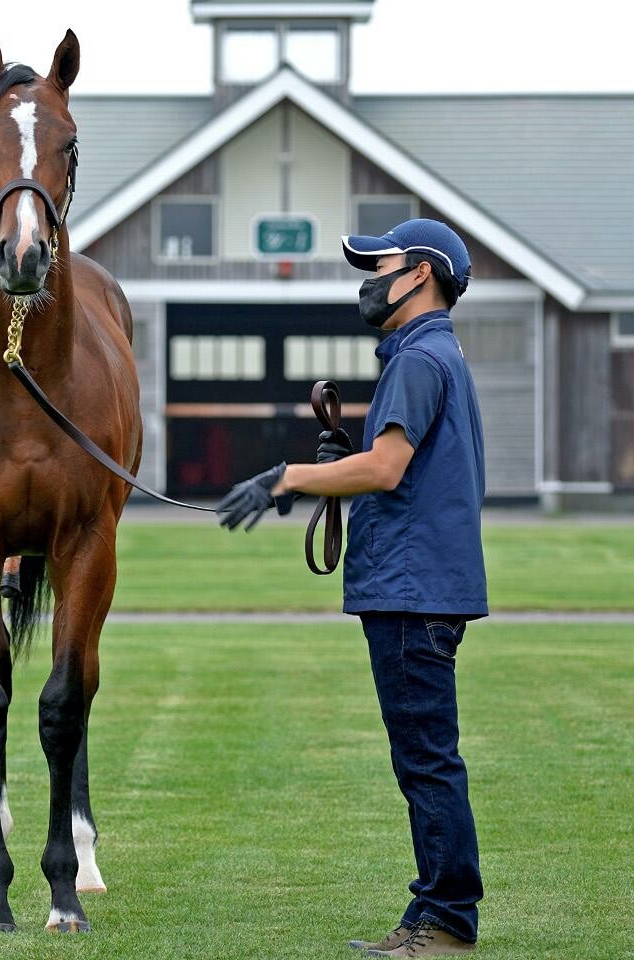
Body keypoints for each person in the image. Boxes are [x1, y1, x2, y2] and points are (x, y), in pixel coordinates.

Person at [215, 220, 487, 957]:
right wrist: (346, 457)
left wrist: (288, 478)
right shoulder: (433, 354)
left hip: (412, 593)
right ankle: (442, 914)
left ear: (422, 273)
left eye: (381, 264)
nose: (369, 278)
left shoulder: (419, 358)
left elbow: (387, 469)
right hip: (421, 588)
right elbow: (392, 463)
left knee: (426, 760)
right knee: (428, 757)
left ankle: (444, 921)